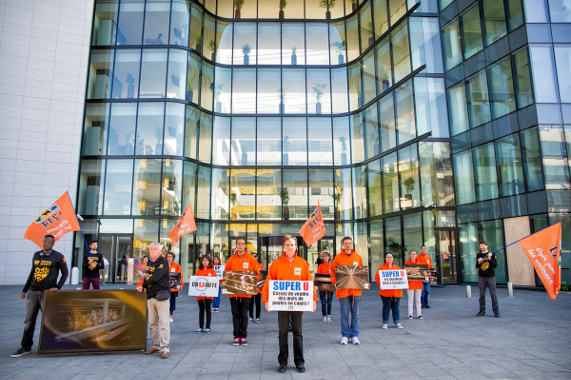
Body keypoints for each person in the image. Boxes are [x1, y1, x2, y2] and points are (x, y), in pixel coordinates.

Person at [262, 234, 318, 373]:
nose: (290, 247)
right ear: (284, 247)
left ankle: (299, 361)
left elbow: (309, 282)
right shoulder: (276, 264)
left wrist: (313, 299)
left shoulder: (302, 263)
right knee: (282, 332)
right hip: (282, 303)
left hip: (298, 303)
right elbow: (269, 282)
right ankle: (282, 361)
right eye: (287, 245)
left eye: (292, 244)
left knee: (298, 332)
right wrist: (266, 300)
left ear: (296, 247)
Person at [11, 235, 69, 357]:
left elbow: (65, 273)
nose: (46, 243)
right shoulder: (36, 255)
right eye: (45, 241)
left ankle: (52, 345)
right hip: (33, 292)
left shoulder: (58, 256)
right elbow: (32, 273)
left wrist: (58, 287)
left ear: (53, 243)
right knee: (29, 320)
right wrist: (24, 290)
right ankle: (25, 346)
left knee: (49, 320)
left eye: (49, 242)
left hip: (47, 293)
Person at [224, 237, 259, 346]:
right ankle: (236, 336)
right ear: (236, 245)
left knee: (244, 314)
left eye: (242, 244)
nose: (240, 246)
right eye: (238, 243)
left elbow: (257, 275)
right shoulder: (231, 260)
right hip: (233, 293)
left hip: (246, 293)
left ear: (245, 246)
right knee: (235, 315)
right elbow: (226, 274)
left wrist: (250, 277)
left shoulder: (251, 259)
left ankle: (243, 336)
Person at [138, 242, 170, 359]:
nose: (153, 251)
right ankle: (155, 345)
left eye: (155, 249)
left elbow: (155, 277)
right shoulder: (149, 262)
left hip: (161, 295)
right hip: (150, 296)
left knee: (164, 323)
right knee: (152, 323)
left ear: (160, 251)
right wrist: (142, 285)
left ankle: (165, 347)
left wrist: (144, 285)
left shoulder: (163, 262)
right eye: (151, 249)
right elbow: (146, 276)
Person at [330, 236, 363, 345]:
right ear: (343, 245)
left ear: (352, 244)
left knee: (356, 314)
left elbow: (362, 273)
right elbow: (332, 272)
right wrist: (335, 282)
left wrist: (365, 283)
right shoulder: (338, 258)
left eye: (349, 243)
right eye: (346, 243)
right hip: (343, 290)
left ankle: (354, 335)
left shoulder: (358, 257)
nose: (348, 245)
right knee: (344, 314)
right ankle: (345, 335)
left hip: (355, 291)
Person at [375, 252, 404, 329]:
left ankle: (397, 322)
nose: (389, 258)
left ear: (393, 258)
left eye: (390, 257)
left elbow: (401, 278)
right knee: (386, 307)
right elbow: (377, 278)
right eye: (387, 257)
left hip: (396, 292)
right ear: (385, 258)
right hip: (385, 292)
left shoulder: (397, 268)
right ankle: (385, 323)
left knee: (396, 307)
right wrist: (380, 284)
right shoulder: (381, 268)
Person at [476, 241, 500, 318]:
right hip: (481, 276)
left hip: (491, 277)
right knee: (482, 294)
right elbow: (477, 266)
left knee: (493, 295)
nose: (481, 247)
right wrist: (479, 261)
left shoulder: (492, 254)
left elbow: (495, 265)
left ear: (486, 246)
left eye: (482, 246)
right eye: (480, 246)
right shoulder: (479, 255)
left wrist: (490, 258)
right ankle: (482, 311)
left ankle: (496, 312)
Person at [195, 255, 217, 333]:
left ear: (209, 261)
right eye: (203, 260)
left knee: (208, 309)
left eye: (206, 260)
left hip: (209, 294)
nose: (205, 262)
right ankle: (201, 327)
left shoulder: (212, 270)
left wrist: (210, 292)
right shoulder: (198, 270)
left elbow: (214, 282)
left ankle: (208, 326)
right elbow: (195, 282)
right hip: (200, 295)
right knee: (201, 310)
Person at [404, 250, 423, 320]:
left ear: (416, 255)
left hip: (418, 284)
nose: (413, 255)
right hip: (410, 283)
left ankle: (419, 314)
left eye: (414, 254)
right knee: (410, 300)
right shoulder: (407, 263)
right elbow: (404, 272)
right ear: (409, 255)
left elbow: (423, 272)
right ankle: (410, 314)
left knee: (418, 300)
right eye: (412, 254)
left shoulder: (420, 263)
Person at [317, 252, 334, 322]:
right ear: (322, 258)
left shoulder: (332, 266)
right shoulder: (320, 266)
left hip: (330, 286)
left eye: (327, 256)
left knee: (329, 302)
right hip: (322, 286)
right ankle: (324, 315)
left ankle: (329, 315)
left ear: (329, 257)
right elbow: (319, 276)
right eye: (324, 256)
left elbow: (334, 275)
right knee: (323, 302)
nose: (325, 258)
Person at [166, 252, 183, 323]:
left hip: (173, 287)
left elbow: (180, 276)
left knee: (172, 301)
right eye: (167, 256)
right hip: (165, 287)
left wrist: (181, 284)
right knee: (164, 301)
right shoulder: (163, 265)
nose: (169, 258)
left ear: (173, 257)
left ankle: (170, 315)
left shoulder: (176, 266)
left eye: (170, 256)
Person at [249, 252, 264, 323]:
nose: (254, 258)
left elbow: (263, 277)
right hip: (250, 288)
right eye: (252, 256)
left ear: (257, 257)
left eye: (255, 256)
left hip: (258, 288)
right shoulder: (248, 266)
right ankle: (250, 316)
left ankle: (258, 317)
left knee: (258, 303)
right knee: (250, 303)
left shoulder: (260, 266)